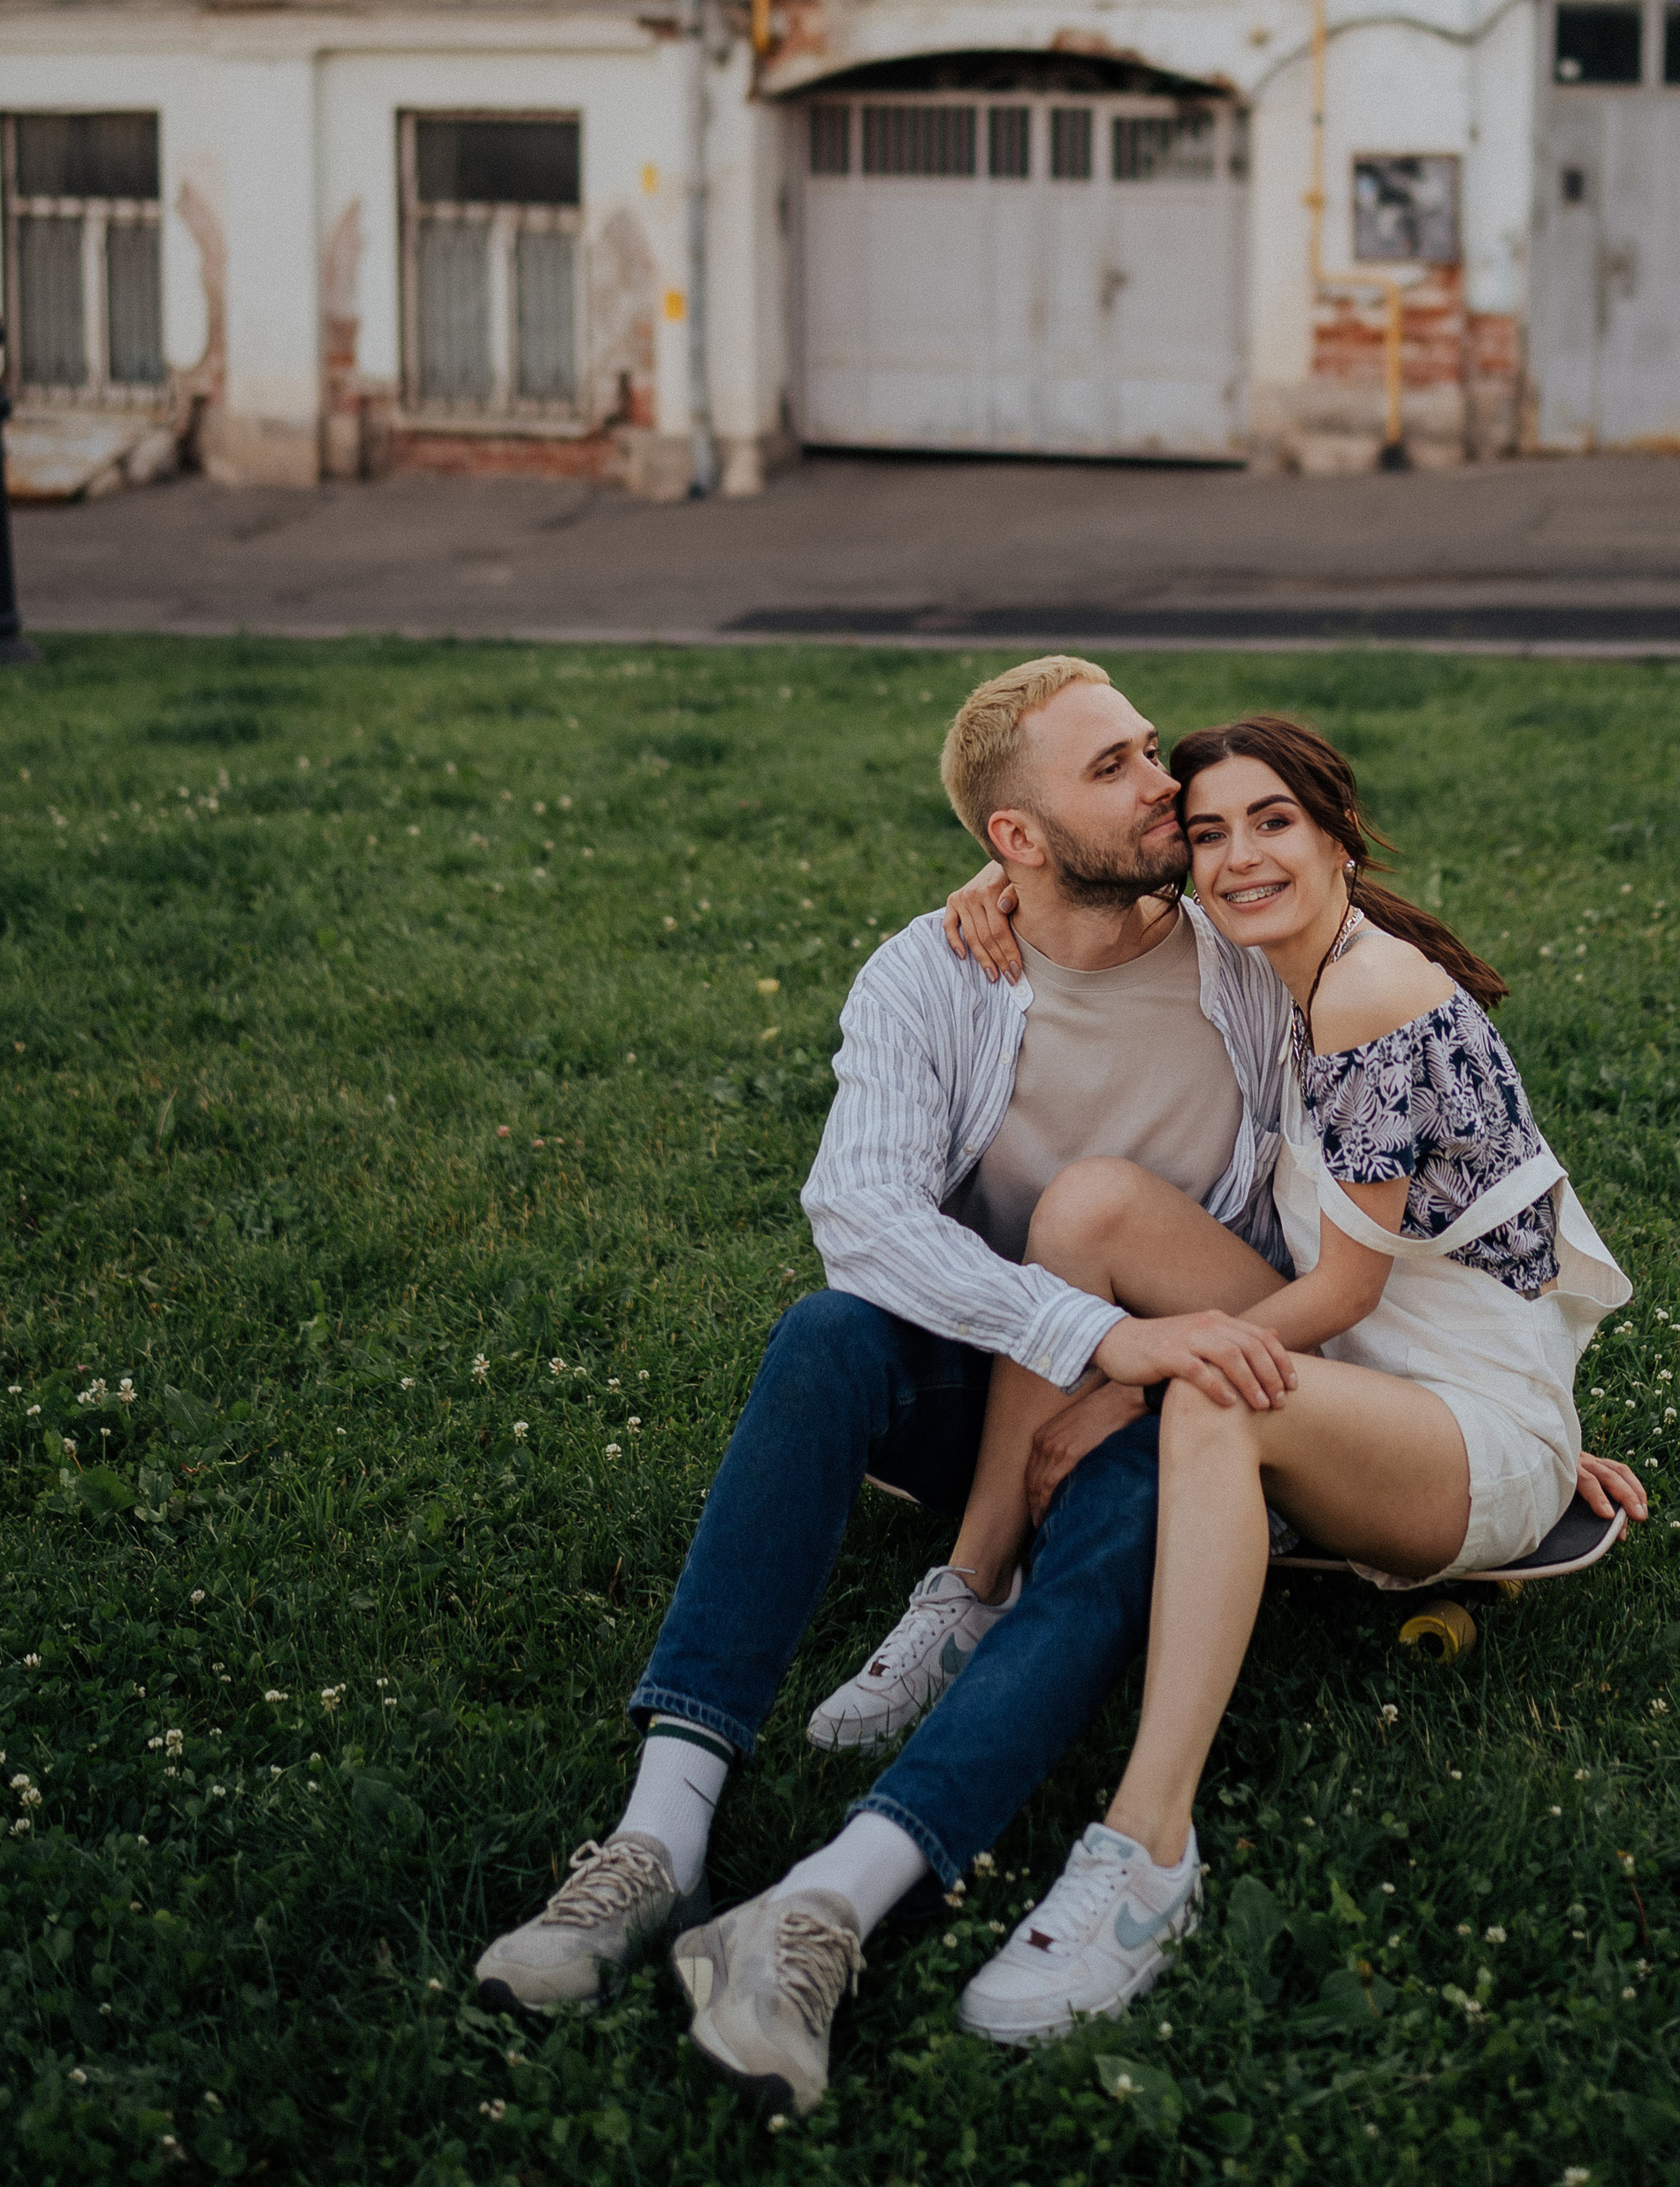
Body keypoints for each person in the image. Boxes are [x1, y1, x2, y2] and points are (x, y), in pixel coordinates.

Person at [474, 654, 1300, 2122]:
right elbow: (860, 1214)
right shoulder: (933, 966)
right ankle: (659, 1828)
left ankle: (823, 1908)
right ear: (1016, 841)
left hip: (1178, 1405)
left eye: (1146, 745)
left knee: (1134, 1517)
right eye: (1110, 767)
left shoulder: (1252, 959)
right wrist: (1090, 1336)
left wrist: (1510, 1412)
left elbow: (1396, 1174)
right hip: (981, 1395)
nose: (1163, 779)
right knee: (824, 1335)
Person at [934, 714, 1643, 2043]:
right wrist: (994, 886)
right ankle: (971, 1587)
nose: (1240, 855)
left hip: (1453, 1420)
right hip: (1385, 1376)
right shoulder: (1296, 963)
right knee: (1090, 1205)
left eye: (1273, 821)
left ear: (1338, 834)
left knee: (1216, 1391)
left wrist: (1124, 1383)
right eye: (1208, 832)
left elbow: (1345, 1294)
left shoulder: (1372, 989)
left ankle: (1145, 1851)